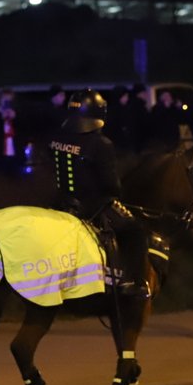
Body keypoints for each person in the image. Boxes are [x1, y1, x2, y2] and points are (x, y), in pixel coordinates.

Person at [48, 89, 148, 296]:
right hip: (92, 207)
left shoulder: (57, 138)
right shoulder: (101, 144)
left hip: (61, 202)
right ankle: (133, 283)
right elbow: (111, 186)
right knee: (136, 233)